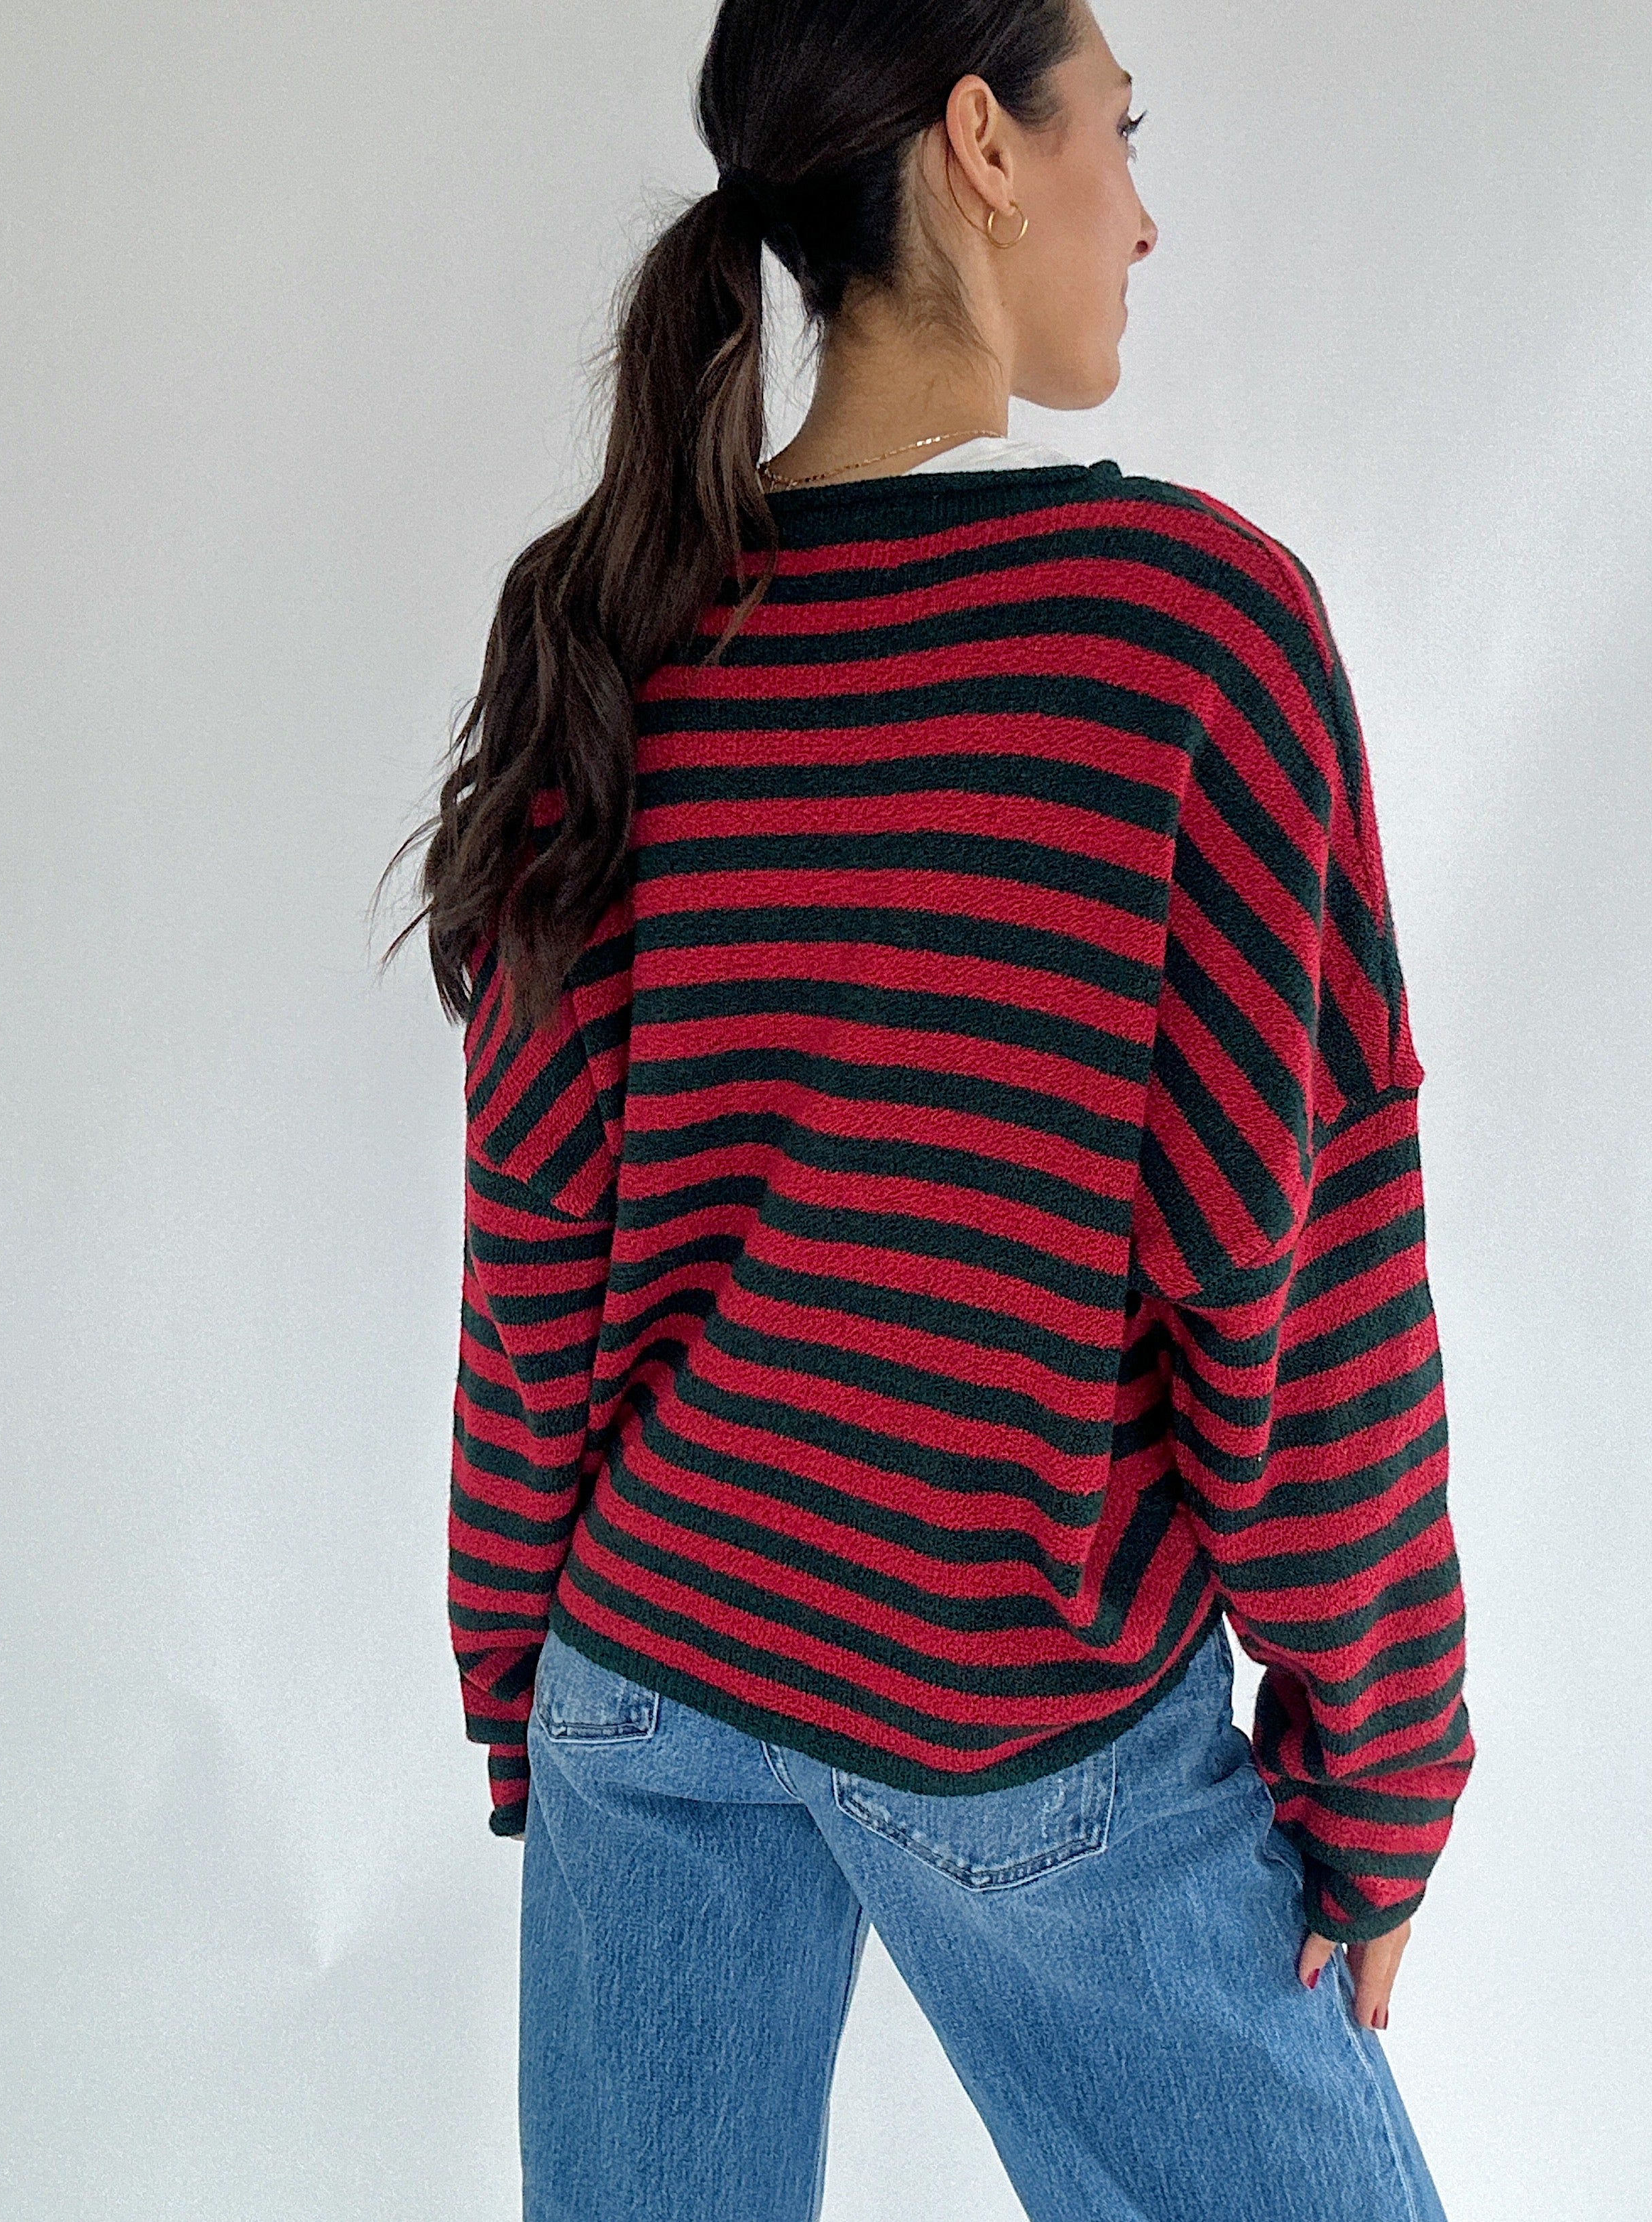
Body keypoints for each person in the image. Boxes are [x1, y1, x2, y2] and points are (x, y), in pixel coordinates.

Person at [386, 3, 1476, 2215]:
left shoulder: (618, 617)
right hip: (1014, 1699)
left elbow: (535, 1246)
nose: (1141, 215)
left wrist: (523, 1685)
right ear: (983, 141)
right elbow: (1299, 1269)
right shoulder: (1190, 636)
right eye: (1117, 134)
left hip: (644, 1663)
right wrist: (1382, 1768)